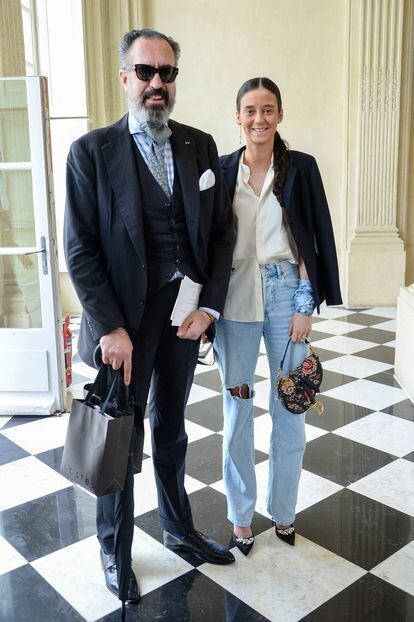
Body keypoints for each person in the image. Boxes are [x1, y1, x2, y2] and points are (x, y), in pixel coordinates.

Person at [64, 28, 235, 603]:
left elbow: (219, 234)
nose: (157, 83)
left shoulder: (199, 146)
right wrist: (110, 327)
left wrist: (209, 305)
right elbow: (80, 248)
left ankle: (179, 529)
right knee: (120, 436)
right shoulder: (91, 151)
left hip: (183, 318)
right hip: (124, 326)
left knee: (172, 427)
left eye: (167, 73)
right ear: (125, 78)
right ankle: (114, 551)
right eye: (145, 73)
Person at [215, 77, 342, 556]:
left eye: (268, 110)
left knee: (290, 407)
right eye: (250, 110)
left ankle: (284, 512)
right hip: (235, 300)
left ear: (280, 115)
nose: (259, 119)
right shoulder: (224, 168)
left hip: (287, 291)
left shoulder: (301, 168)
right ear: (238, 117)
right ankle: (241, 518)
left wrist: (306, 304)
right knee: (238, 407)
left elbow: (311, 232)